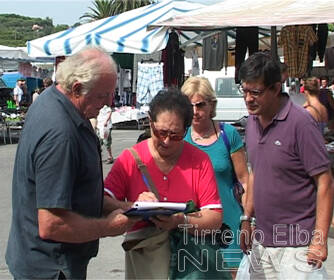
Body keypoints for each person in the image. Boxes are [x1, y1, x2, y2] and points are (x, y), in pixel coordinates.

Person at [5, 47, 135, 280]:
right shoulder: (61, 133)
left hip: (44, 262)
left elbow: (74, 191)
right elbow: (52, 224)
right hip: (51, 269)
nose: (109, 102)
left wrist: (123, 207)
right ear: (76, 89)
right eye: (102, 95)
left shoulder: (55, 102)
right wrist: (108, 226)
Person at [103, 88, 224, 279]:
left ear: (186, 130)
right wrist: (134, 207)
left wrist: (180, 221)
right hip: (145, 261)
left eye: (175, 135)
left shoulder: (199, 161)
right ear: (150, 123)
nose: (167, 141)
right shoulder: (130, 159)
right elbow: (103, 202)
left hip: (189, 264)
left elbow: (214, 217)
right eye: (161, 132)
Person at [239, 52, 334, 278]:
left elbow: (325, 182)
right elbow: (255, 172)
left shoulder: (301, 123)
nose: (248, 98)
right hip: (262, 241)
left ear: (275, 88)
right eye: (244, 91)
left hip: (297, 245)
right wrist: (246, 219)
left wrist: (319, 240)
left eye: (256, 92)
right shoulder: (252, 121)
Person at [181, 76, 249, 278]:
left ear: (211, 105)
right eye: (189, 105)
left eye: (200, 105)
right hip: (193, 224)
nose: (195, 111)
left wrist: (248, 220)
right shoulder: (179, 138)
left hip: (229, 223)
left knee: (231, 274)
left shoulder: (228, 134)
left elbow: (245, 180)